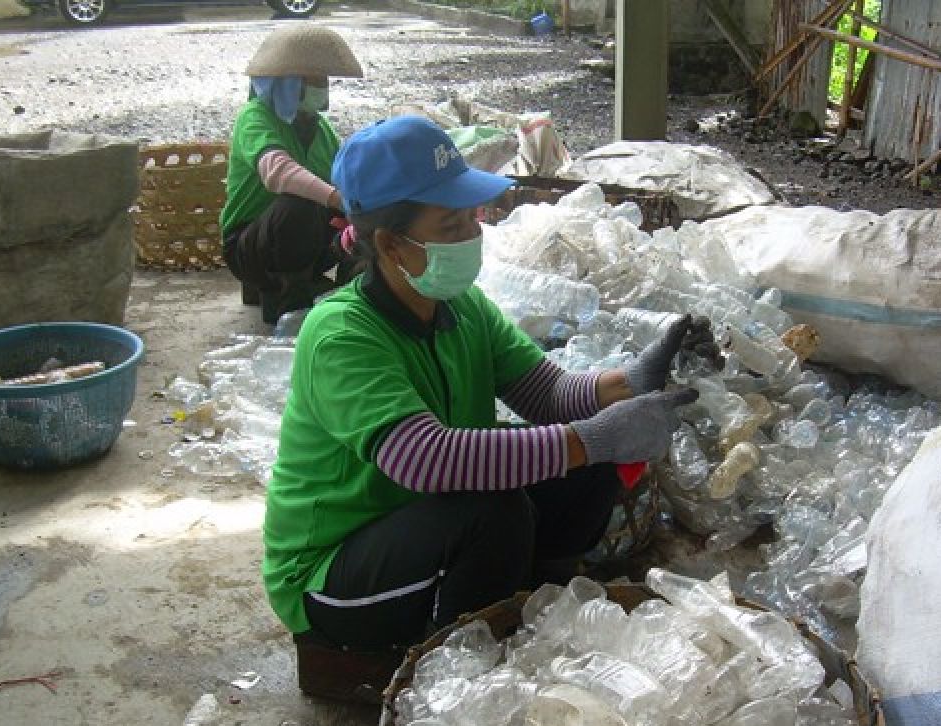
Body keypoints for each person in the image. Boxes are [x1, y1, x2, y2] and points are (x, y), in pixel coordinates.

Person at [261, 115, 701, 685]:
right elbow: (426, 460)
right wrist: (593, 438)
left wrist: (633, 380)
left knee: (584, 469)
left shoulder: (463, 308)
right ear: (392, 244)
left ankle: (532, 608)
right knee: (498, 508)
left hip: (425, 528)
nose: (474, 232)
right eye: (452, 223)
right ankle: (462, 673)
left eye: (472, 215)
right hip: (333, 575)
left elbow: (546, 394)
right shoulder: (341, 335)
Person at [220, 24, 363, 326]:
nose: (323, 87)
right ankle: (287, 303)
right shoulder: (255, 117)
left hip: (305, 241)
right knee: (297, 203)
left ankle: (349, 290)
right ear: (288, 82)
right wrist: (337, 198)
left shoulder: (320, 128)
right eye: (315, 80)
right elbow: (276, 172)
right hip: (250, 247)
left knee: (367, 226)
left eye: (324, 80)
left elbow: (343, 176)